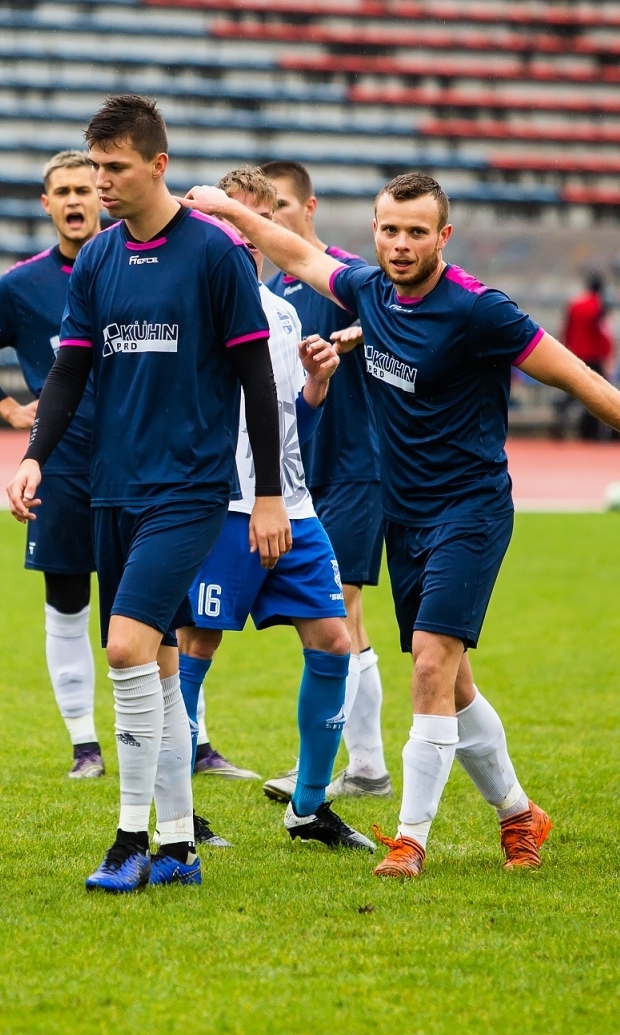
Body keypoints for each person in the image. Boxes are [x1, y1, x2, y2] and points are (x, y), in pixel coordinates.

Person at [182, 172, 620, 877]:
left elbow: (580, 378)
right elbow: (300, 254)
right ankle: (520, 815)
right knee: (452, 682)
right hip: (408, 516)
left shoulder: (480, 311)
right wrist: (228, 211)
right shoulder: (371, 291)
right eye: (389, 230)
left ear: (444, 237)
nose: (400, 245)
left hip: (471, 509)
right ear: (375, 231)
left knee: (431, 663)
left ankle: (409, 842)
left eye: (416, 232)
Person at [8, 97, 289, 893]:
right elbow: (69, 370)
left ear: (158, 165)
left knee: (125, 649)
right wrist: (37, 457)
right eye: (94, 167)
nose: (100, 183)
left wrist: (267, 494)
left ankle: (128, 838)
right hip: (110, 490)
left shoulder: (214, 255)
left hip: (189, 490)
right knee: (158, 669)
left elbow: (256, 379)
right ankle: (176, 848)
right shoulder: (96, 259)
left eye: (115, 168)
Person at [175, 168, 374, 852]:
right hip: (221, 512)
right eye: (235, 224)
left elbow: (292, 429)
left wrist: (317, 384)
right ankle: (176, 810)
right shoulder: (191, 308)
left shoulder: (284, 312)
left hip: (294, 508)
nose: (250, 238)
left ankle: (309, 807)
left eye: (259, 223)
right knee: (192, 648)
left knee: (334, 643)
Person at [0, 150, 118, 778]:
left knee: (148, 609)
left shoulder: (138, 263)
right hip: (63, 466)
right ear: (46, 204)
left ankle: (186, 739)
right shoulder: (23, 285)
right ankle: (85, 746)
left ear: (102, 195)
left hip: (137, 462)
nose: (74, 201)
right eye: (61, 191)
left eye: (84, 189)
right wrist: (9, 409)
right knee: (68, 602)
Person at [251, 161, 391, 806]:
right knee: (330, 616)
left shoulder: (348, 278)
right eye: (261, 210)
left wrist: (369, 331)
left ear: (309, 208)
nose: (269, 219)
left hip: (356, 464)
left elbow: (406, 319)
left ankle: (364, 765)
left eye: (279, 206)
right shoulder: (275, 295)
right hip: (301, 473)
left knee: (343, 607)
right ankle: (352, 763)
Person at [560, 276, 615, 441]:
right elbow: (602, 333)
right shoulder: (599, 306)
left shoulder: (574, 304)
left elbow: (566, 330)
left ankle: (560, 422)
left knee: (572, 392)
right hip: (593, 356)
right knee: (596, 395)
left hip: (575, 353)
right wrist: (607, 356)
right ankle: (591, 433)